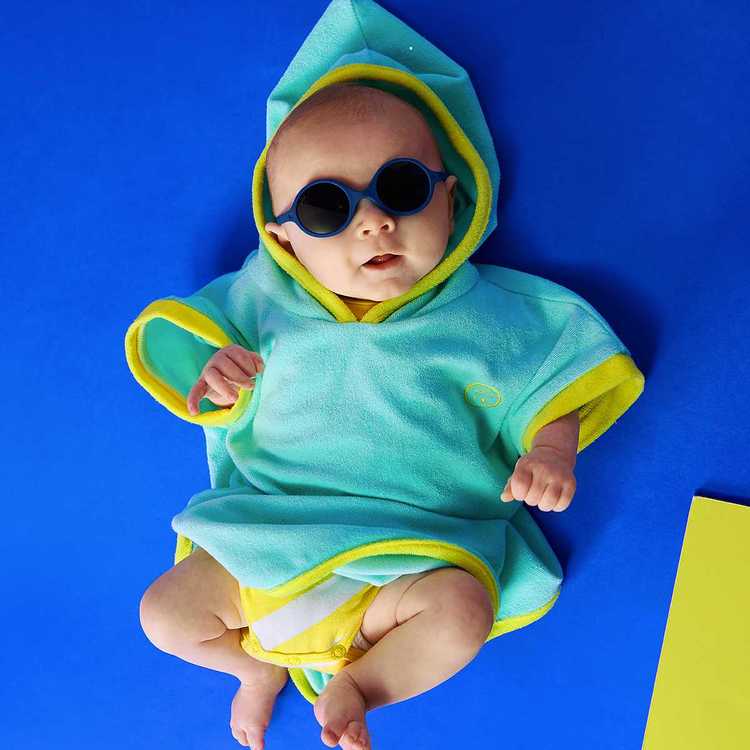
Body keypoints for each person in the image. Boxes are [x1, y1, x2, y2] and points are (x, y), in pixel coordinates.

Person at [124, 2, 645, 749]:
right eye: (327, 207)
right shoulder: (258, 302)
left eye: (401, 188)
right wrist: (215, 372)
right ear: (283, 240)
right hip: (266, 541)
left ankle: (362, 686)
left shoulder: (494, 315)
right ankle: (252, 668)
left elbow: (555, 375)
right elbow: (190, 364)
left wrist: (552, 448)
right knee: (163, 615)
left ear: (453, 197)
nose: (373, 221)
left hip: (411, 554)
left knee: (462, 613)